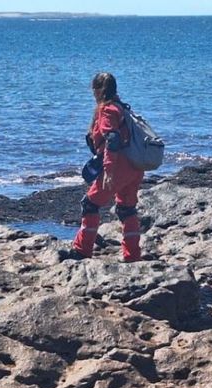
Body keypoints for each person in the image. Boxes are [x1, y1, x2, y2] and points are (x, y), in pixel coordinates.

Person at [69, 72, 143, 262]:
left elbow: (112, 139)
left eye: (94, 90)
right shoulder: (122, 107)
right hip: (134, 166)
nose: (93, 94)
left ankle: (82, 250)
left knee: (90, 204)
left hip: (118, 167)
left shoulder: (108, 110)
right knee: (127, 209)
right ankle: (132, 255)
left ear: (98, 90)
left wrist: (109, 170)